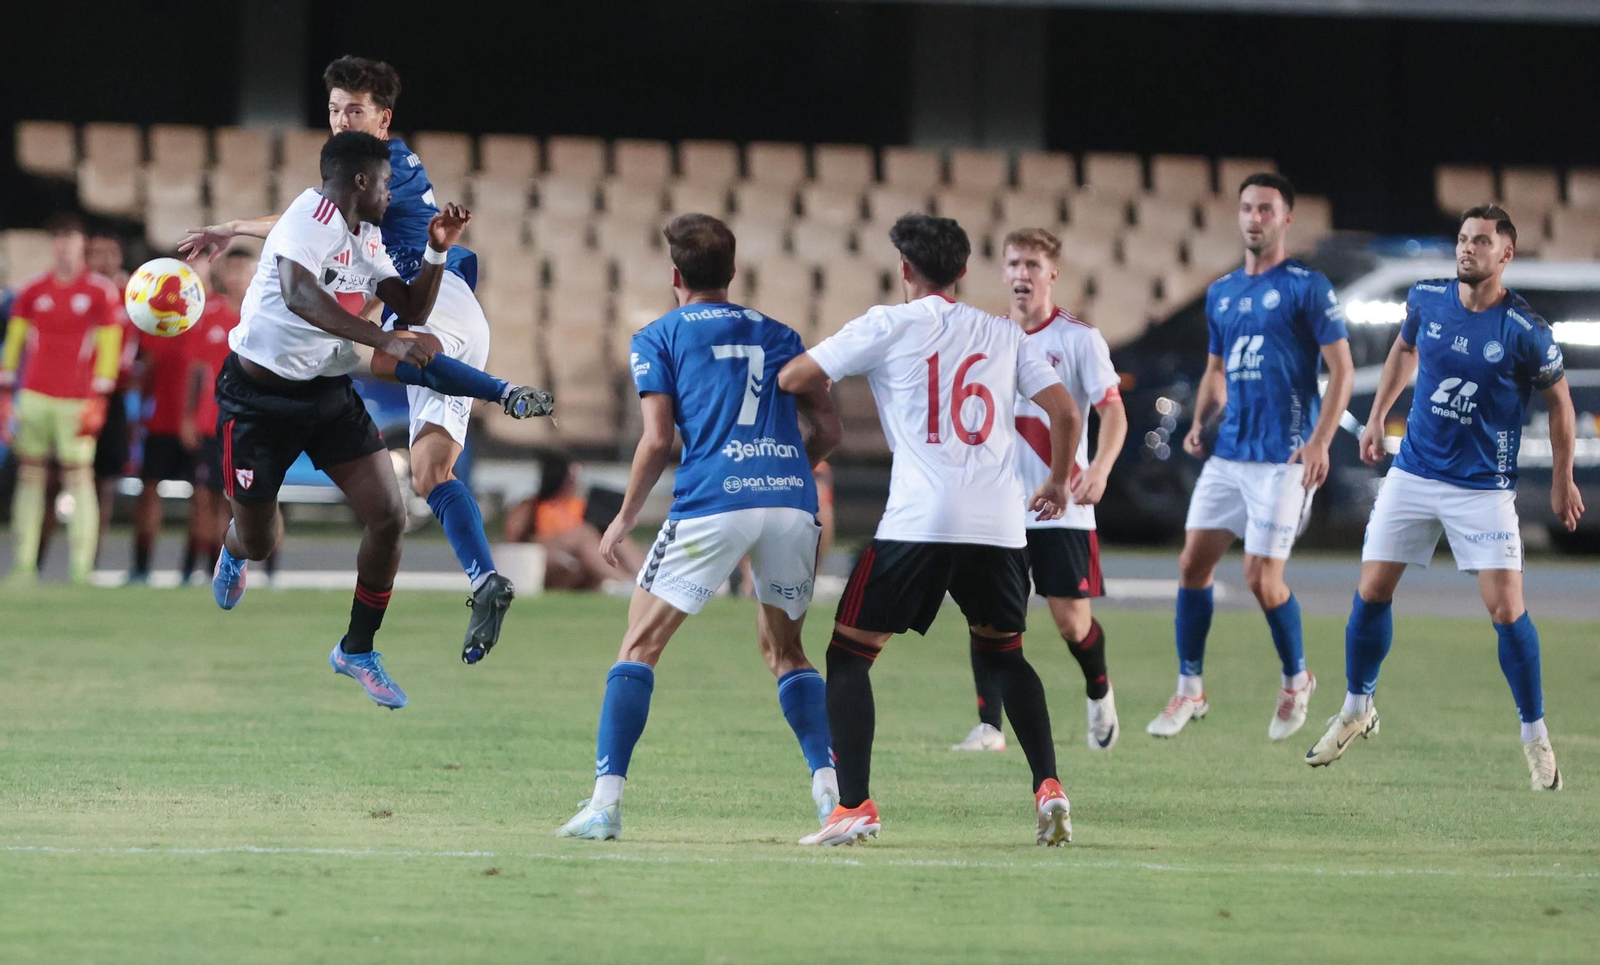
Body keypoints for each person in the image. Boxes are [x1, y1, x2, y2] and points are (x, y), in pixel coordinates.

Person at [180, 55, 546, 664]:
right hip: (429, 303)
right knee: (431, 472)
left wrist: (241, 228)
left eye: (354, 110)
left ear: (383, 119)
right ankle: (484, 578)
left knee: (376, 359)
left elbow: (321, 224)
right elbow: (313, 220)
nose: (340, 120)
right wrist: (237, 226)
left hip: (433, 301)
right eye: (333, 110)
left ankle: (502, 391)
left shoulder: (384, 166)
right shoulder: (347, 196)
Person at [779, 214, 1083, 848]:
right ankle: (1049, 786)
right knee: (1006, 655)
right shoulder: (1005, 333)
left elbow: (794, 377)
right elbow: (1064, 411)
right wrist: (1057, 482)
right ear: (965, 271)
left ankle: (853, 804)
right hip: (998, 524)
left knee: (848, 655)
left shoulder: (888, 323)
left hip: (921, 518)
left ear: (905, 269)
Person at [557, 214, 843, 841]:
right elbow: (829, 427)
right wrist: (788, 468)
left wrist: (625, 517)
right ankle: (831, 795)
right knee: (786, 653)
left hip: (714, 498)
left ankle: (605, 805)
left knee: (638, 647)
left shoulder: (657, 337)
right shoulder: (781, 334)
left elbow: (658, 439)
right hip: (791, 502)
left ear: (675, 275)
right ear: (733, 271)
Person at [1306, 205, 1584, 790]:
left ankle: (1535, 735)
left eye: (1481, 241)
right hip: (1414, 473)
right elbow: (1404, 350)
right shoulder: (1427, 298)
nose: (1467, 248)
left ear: (1505, 254)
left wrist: (1564, 478)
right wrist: (1377, 416)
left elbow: (1560, 403)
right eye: (1462, 238)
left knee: (1506, 611)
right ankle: (1357, 707)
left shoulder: (1523, 329)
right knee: (1371, 591)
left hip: (1483, 487)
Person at [1147, 173, 1354, 742]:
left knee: (1261, 578)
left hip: (1284, 458)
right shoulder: (1222, 292)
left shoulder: (1308, 288)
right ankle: (1190, 689)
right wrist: (1199, 422)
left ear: (1286, 219)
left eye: (1266, 209)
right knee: (1192, 566)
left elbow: (1342, 370)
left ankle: (1296, 679)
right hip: (1230, 453)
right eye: (1246, 208)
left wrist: (1319, 440)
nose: (1254, 218)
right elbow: (1216, 369)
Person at [953, 228, 1128, 754]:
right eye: (1013, 264)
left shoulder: (1079, 339)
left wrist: (1100, 467)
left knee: (1071, 623)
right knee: (987, 615)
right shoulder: (989, 336)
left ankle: (1099, 690)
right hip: (999, 504)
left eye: (1031, 265)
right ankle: (989, 726)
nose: (1021, 274)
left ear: (1052, 273)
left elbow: (1112, 411)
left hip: (1062, 506)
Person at [0, 213, 124, 584]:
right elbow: (14, 344)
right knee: (30, 477)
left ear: (81, 245)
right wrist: (6, 395)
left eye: (70, 240)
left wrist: (100, 397)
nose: (64, 247)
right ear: (52, 246)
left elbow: (110, 347)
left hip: (77, 400)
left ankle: (81, 569)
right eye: (59, 240)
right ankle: (23, 566)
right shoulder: (32, 291)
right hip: (35, 396)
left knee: (79, 478)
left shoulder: (100, 292)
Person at [175, 255, 242, 584]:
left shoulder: (261, 315)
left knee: (240, 502)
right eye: (232, 269)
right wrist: (187, 416)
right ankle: (199, 568)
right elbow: (195, 370)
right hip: (209, 423)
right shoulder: (208, 314)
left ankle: (253, 569)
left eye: (243, 270)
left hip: (245, 426)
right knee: (203, 497)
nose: (237, 277)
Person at [503, 452, 644, 591]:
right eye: (570, 478)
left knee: (616, 536)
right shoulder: (533, 506)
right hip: (548, 554)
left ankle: (644, 579)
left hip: (582, 557)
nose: (574, 483)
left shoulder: (580, 504)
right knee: (583, 534)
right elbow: (515, 543)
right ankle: (623, 582)